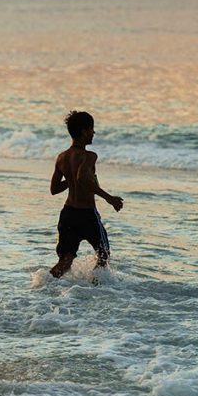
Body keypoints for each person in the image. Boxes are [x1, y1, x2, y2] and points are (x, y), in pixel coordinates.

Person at [49, 111, 124, 278]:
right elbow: (82, 178)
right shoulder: (89, 156)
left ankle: (46, 284)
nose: (93, 133)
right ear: (84, 131)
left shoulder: (62, 157)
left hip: (68, 214)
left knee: (66, 260)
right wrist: (109, 198)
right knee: (103, 255)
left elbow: (54, 189)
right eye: (92, 129)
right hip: (87, 214)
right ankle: (95, 288)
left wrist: (71, 179)